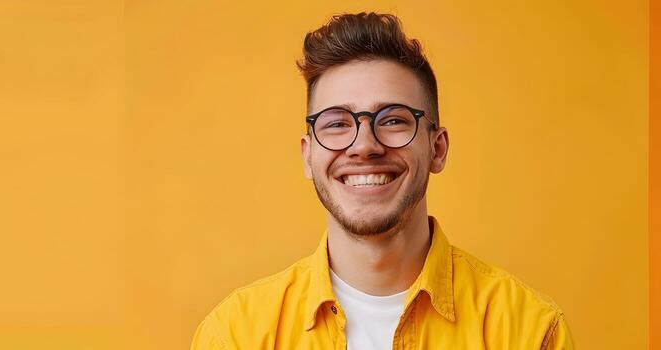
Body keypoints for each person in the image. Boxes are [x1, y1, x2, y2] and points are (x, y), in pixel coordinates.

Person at [191, 12, 574, 350]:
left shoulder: (530, 331)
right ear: (308, 156)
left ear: (437, 148)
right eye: (337, 123)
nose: (364, 145)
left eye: (392, 119)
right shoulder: (235, 335)